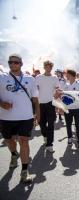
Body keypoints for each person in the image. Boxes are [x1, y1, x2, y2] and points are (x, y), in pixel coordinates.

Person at [0, 54, 40, 183]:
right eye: (10, 62)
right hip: (6, 117)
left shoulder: (30, 79)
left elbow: (35, 99)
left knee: (24, 141)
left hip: (25, 116)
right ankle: (14, 154)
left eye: (16, 62)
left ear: (21, 64)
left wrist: (38, 113)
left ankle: (24, 171)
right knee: (9, 141)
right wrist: (1, 104)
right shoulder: (2, 77)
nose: (13, 64)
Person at [35, 60, 59, 152]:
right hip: (40, 104)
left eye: (50, 67)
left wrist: (57, 103)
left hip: (51, 103)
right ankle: (45, 135)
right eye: (46, 66)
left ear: (51, 68)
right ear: (44, 67)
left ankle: (50, 144)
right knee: (41, 123)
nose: (48, 68)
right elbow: (35, 90)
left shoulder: (55, 77)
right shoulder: (38, 77)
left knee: (51, 124)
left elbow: (57, 89)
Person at [58, 69, 79, 150]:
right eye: (66, 75)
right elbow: (62, 97)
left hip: (77, 108)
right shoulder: (65, 85)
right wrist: (61, 108)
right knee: (68, 124)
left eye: (68, 75)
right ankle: (69, 138)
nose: (66, 76)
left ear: (72, 75)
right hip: (68, 108)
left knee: (78, 125)